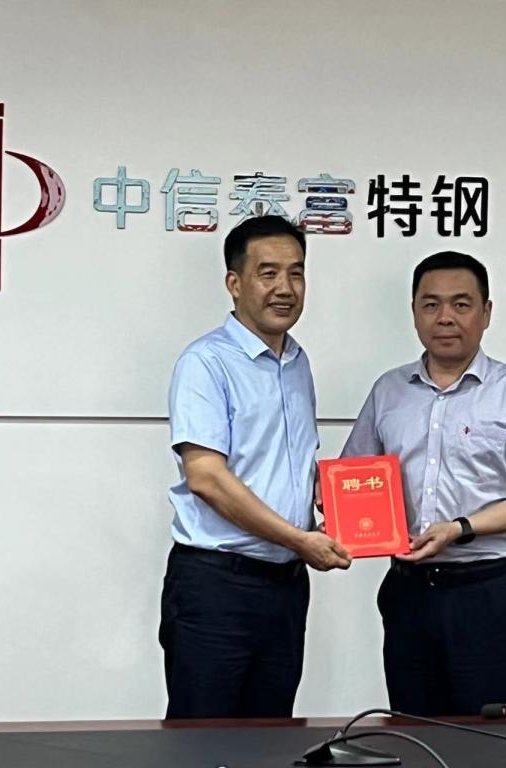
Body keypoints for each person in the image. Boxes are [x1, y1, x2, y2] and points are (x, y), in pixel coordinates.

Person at [340, 250, 506, 716]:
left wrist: (460, 528)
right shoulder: (388, 390)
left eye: (461, 304)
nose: (445, 317)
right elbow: (353, 477)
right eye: (431, 304)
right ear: (414, 311)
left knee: (488, 735)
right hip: (409, 592)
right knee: (412, 728)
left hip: (487, 592)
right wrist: (334, 512)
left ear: (486, 312)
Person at [160, 215, 351, 719]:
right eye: (268, 273)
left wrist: (324, 493)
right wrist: (299, 539)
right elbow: (207, 478)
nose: (285, 288)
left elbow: (282, 460)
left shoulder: (297, 362)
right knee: (202, 741)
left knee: (272, 737)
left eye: (296, 273)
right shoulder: (206, 362)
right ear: (234, 282)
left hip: (285, 586)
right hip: (217, 586)